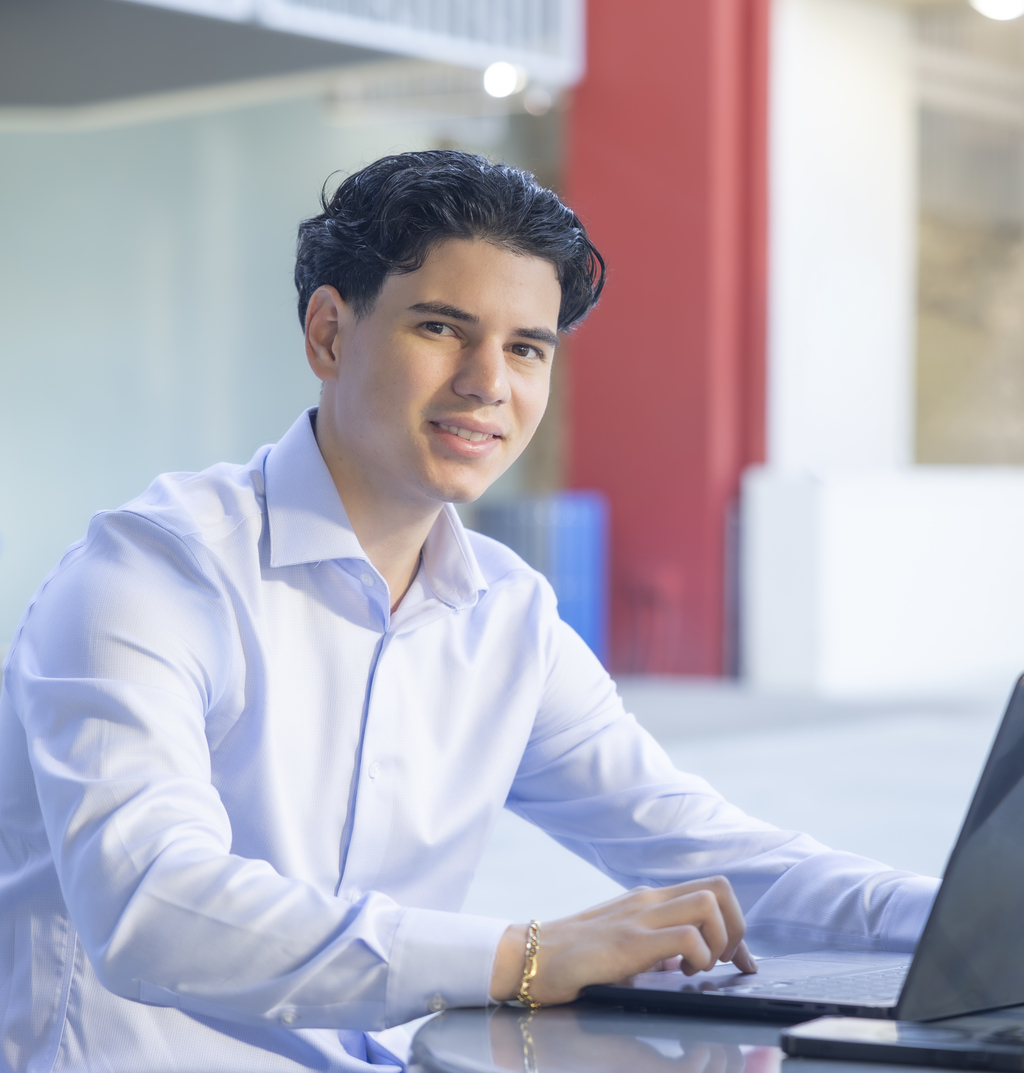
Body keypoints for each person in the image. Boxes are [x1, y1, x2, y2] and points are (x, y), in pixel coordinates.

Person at [0, 151, 937, 1073]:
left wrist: (965, 915)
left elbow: (709, 851)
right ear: (328, 334)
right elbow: (151, 906)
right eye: (443, 328)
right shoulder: (152, 574)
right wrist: (523, 958)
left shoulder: (508, 614)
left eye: (527, 347)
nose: (489, 382)